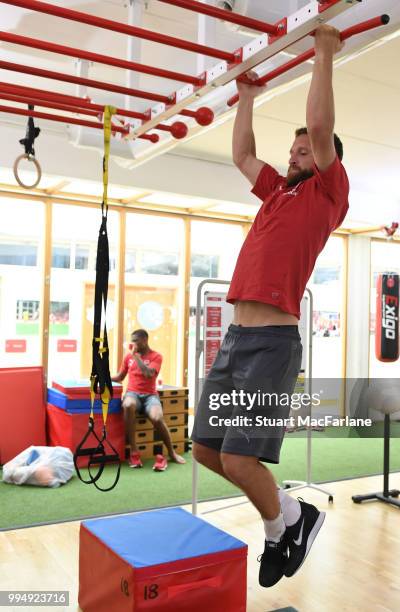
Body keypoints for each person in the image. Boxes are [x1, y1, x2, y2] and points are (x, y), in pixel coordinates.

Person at [191, 25, 349, 588]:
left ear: (326, 159)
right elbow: (242, 154)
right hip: (235, 340)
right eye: (292, 149)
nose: (294, 155)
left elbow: (323, 127)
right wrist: (249, 98)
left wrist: (323, 54)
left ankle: (281, 525)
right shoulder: (278, 191)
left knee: (239, 461)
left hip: (272, 345)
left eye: (303, 150)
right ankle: (289, 518)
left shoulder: (327, 195)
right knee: (208, 450)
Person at [112, 329, 186, 469]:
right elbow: (120, 377)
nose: (132, 343)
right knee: (127, 404)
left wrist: (136, 357)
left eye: (135, 341)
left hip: (150, 396)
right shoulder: (128, 357)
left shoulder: (156, 356)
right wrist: (101, 377)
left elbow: (148, 374)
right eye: (131, 340)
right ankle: (134, 452)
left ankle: (171, 452)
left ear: (144, 340)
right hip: (132, 394)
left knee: (157, 417)